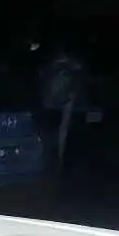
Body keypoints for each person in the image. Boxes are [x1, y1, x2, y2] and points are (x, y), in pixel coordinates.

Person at [37, 40, 88, 178]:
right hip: (53, 104)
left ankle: (57, 162)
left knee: (59, 134)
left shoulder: (63, 65)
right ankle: (52, 162)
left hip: (60, 103)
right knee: (53, 135)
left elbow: (78, 69)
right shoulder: (55, 66)